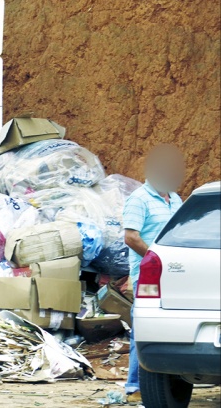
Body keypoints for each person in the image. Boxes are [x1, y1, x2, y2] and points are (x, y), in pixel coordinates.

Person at [122, 144, 185, 398]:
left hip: (174, 273)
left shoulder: (175, 199)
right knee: (143, 327)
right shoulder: (139, 199)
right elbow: (131, 237)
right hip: (148, 275)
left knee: (169, 326)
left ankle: (169, 383)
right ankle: (134, 386)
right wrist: (154, 259)